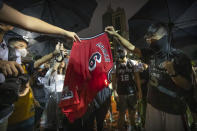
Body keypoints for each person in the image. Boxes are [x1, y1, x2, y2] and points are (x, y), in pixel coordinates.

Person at [105, 24, 192, 131]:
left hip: (173, 110)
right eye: (148, 39)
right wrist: (116, 35)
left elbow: (187, 86)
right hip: (153, 106)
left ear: (164, 38)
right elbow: (132, 48)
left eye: (153, 38)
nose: (149, 42)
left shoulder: (181, 57)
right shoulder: (151, 54)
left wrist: (173, 73)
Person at [112, 47, 144, 131]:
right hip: (121, 93)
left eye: (121, 52)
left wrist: (139, 90)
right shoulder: (115, 65)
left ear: (126, 53)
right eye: (118, 52)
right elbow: (113, 80)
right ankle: (121, 129)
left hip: (132, 92)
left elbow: (137, 78)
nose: (120, 53)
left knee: (132, 113)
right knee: (121, 114)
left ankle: (133, 128)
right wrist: (114, 91)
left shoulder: (133, 63)